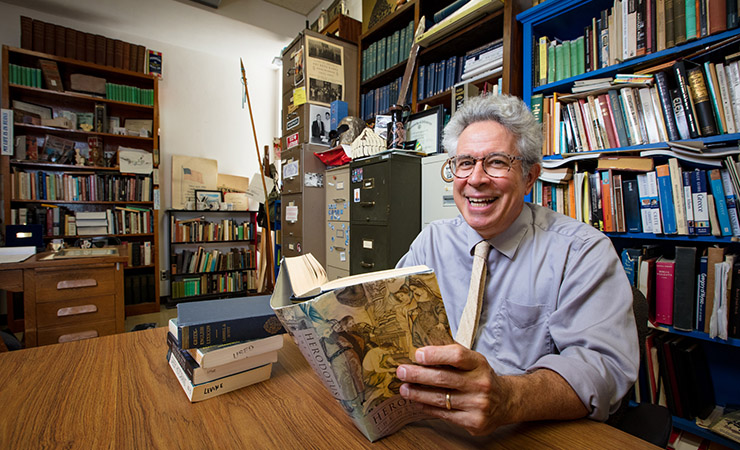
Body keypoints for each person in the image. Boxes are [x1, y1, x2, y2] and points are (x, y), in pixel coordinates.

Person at [394, 94, 639, 436]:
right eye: (464, 163)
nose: (476, 179)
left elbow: (604, 371)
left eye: (496, 162)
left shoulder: (582, 252)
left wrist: (509, 398)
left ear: (529, 177)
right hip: (430, 425)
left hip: (524, 432)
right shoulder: (430, 242)